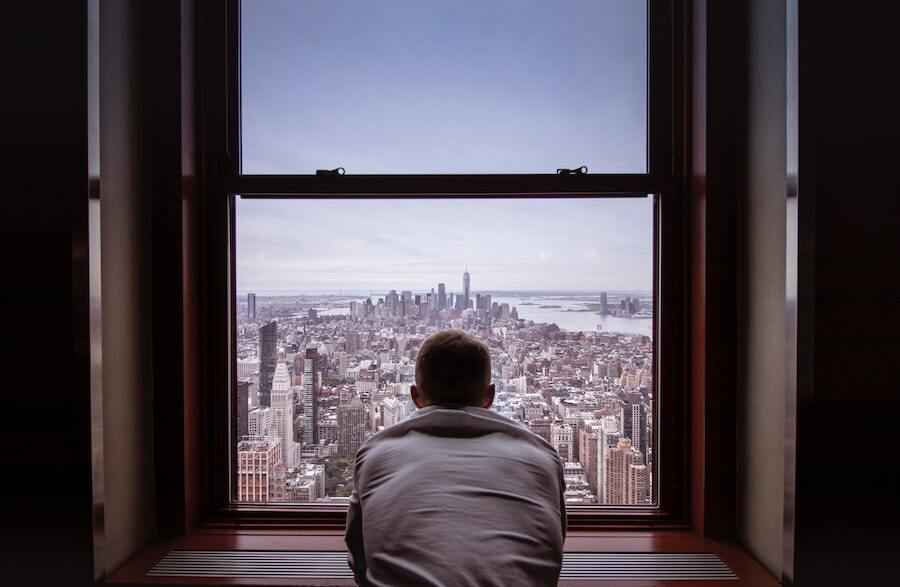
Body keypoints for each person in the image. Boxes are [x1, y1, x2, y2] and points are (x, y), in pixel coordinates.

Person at [345, 329, 566, 587]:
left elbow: (359, 555)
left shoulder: (375, 455)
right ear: (490, 396)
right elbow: (553, 546)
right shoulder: (541, 458)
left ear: (415, 396)